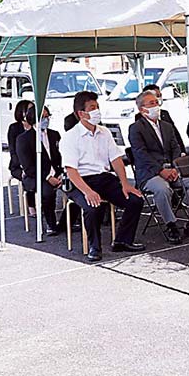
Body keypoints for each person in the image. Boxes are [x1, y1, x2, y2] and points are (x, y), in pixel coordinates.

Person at [60, 90, 145, 262]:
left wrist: (125, 183)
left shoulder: (104, 132)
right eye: (92, 108)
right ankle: (94, 247)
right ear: (81, 113)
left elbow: (116, 159)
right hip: (80, 181)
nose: (96, 111)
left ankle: (122, 240)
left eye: (97, 107)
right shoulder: (70, 137)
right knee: (92, 207)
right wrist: (87, 192)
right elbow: (71, 171)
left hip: (103, 178)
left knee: (135, 200)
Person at [128, 90, 189, 245]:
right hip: (150, 173)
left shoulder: (167, 126)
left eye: (156, 102)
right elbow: (141, 155)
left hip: (173, 170)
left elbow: (176, 148)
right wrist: (161, 170)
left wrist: (174, 167)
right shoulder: (135, 128)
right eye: (151, 103)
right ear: (142, 109)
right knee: (162, 189)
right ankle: (171, 224)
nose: (156, 105)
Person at [15, 104, 63, 236]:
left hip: (57, 173)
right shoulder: (23, 139)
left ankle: (66, 222)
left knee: (77, 187)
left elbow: (60, 157)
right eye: (42, 117)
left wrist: (60, 173)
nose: (46, 120)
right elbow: (28, 167)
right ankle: (51, 224)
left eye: (47, 117)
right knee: (47, 192)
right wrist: (48, 177)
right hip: (36, 176)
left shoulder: (54, 135)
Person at [138, 83, 185, 148]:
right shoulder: (139, 119)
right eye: (156, 96)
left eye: (160, 95)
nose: (158, 99)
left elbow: (175, 134)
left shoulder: (164, 114)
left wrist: (182, 151)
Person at [8, 99, 34, 182]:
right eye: (29, 110)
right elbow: (13, 150)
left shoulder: (36, 126)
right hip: (19, 165)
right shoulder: (14, 128)